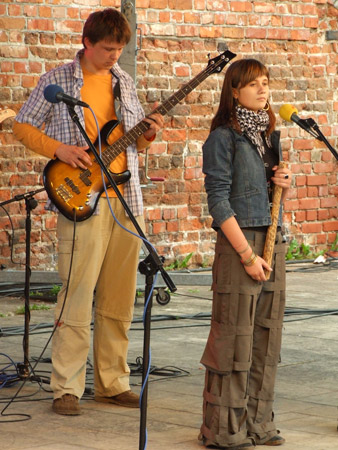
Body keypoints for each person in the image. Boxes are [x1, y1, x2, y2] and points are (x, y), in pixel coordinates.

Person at [13, 8, 164, 415]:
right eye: (107, 49)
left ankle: (112, 382)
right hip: (81, 200)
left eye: (119, 49)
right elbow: (21, 126)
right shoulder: (57, 80)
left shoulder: (124, 81)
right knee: (76, 295)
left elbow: (128, 142)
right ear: (87, 43)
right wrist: (58, 149)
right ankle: (66, 387)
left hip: (125, 198)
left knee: (119, 297)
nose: (114, 56)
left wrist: (146, 135)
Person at [199, 59, 292, 449]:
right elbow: (219, 203)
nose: (262, 89)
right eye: (252, 84)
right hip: (241, 244)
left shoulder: (270, 136)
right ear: (234, 91)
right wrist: (247, 256)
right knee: (234, 339)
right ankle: (223, 429)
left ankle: (259, 422)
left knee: (265, 338)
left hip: (274, 239)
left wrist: (284, 186)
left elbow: (267, 197)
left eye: (265, 82)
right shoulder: (223, 138)